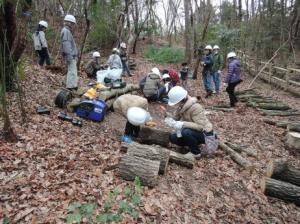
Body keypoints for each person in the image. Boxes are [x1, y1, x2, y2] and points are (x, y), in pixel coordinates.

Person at [165, 86, 214, 158]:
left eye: (178, 102)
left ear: (183, 99)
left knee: (186, 132)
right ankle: (191, 144)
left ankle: (195, 152)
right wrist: (169, 119)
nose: (177, 104)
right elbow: (176, 118)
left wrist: (183, 124)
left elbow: (201, 127)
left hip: (205, 134)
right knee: (173, 137)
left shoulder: (196, 107)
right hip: (193, 131)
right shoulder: (182, 106)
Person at [60, 14, 78, 91]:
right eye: (73, 24)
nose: (73, 26)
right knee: (72, 71)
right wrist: (70, 56)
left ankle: (72, 85)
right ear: (69, 23)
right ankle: (71, 87)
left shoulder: (66, 31)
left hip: (70, 55)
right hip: (70, 55)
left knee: (72, 71)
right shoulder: (66, 31)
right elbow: (66, 45)